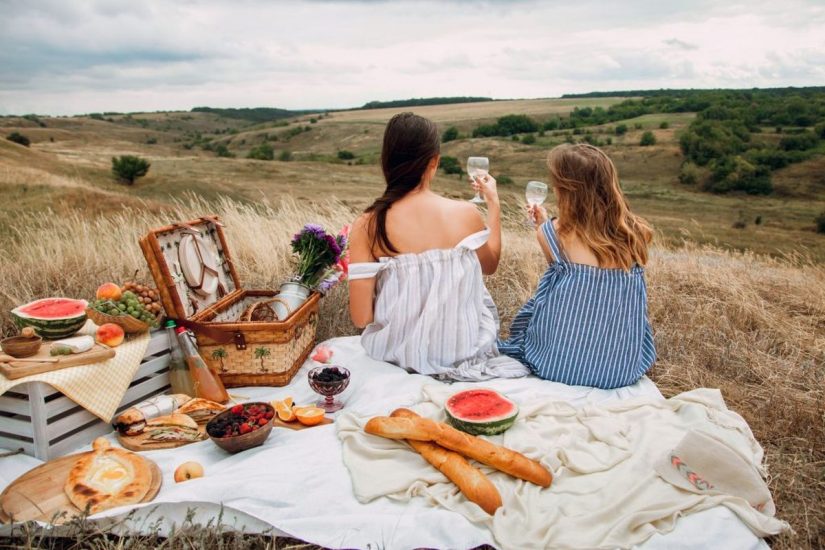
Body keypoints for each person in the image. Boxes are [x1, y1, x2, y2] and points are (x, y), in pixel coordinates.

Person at [348, 112, 528, 381]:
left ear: (386, 160)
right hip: (462, 353)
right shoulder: (465, 213)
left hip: (396, 358)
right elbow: (490, 266)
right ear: (434, 161)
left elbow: (361, 318)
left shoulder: (367, 225)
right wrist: (494, 204)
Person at [498, 143, 656, 389]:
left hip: (556, 365)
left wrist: (543, 224)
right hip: (619, 371)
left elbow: (559, 281)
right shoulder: (638, 233)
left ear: (566, 189)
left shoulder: (550, 234)